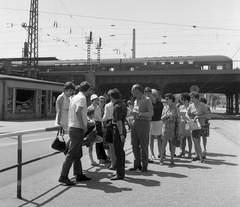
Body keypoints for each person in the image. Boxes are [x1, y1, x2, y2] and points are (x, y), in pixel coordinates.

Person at [58, 81, 92, 185]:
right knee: (72, 154)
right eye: (90, 90)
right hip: (77, 128)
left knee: (77, 153)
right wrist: (83, 126)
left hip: (73, 127)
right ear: (88, 90)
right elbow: (78, 111)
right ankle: (63, 176)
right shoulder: (82, 98)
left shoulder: (74, 97)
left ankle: (78, 174)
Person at [129, 84, 153, 172]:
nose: (131, 92)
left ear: (138, 90)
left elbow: (151, 113)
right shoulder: (136, 100)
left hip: (143, 123)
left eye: (132, 90)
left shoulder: (147, 100)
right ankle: (136, 164)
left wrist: (140, 114)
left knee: (143, 144)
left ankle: (144, 165)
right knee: (134, 144)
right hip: (135, 123)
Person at [109, 88, 127, 180]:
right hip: (122, 129)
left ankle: (120, 173)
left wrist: (120, 134)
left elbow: (119, 121)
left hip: (118, 130)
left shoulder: (117, 107)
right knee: (120, 152)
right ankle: (120, 171)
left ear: (112, 97)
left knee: (118, 153)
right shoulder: (122, 104)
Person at [186, 92, 210, 163]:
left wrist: (199, 116)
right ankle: (197, 155)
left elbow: (208, 115)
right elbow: (187, 114)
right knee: (196, 140)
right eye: (191, 98)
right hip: (193, 125)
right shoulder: (191, 105)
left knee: (195, 139)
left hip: (200, 125)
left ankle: (201, 156)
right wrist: (189, 118)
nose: (191, 99)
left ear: (197, 98)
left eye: (193, 98)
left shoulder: (202, 105)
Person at [160, 93, 182, 166]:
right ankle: (161, 159)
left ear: (171, 100)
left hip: (173, 128)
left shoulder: (176, 108)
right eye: (165, 99)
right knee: (163, 143)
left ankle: (172, 159)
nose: (166, 100)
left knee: (172, 144)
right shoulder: (165, 108)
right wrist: (164, 117)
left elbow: (179, 119)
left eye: (167, 99)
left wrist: (173, 118)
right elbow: (161, 118)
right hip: (165, 127)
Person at [88, 94, 108, 164]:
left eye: (97, 100)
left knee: (101, 141)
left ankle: (104, 157)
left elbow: (100, 117)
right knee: (97, 141)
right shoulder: (90, 108)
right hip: (94, 124)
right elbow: (90, 117)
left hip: (99, 123)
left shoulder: (98, 107)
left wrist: (102, 125)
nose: (96, 101)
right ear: (92, 101)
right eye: (94, 100)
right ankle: (100, 158)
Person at [102, 90, 116, 170]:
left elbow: (105, 116)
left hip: (109, 124)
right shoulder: (120, 104)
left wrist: (104, 123)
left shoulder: (107, 106)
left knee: (111, 145)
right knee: (118, 145)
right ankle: (118, 162)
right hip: (118, 124)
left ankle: (113, 163)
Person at [149, 89, 164, 161]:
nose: (152, 97)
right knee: (151, 138)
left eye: (153, 95)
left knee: (159, 138)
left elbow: (162, 113)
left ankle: (160, 153)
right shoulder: (149, 104)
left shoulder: (160, 103)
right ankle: (152, 154)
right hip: (151, 121)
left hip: (158, 121)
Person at [178, 93, 192, 158]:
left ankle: (190, 153)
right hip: (182, 124)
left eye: (184, 100)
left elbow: (192, 116)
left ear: (188, 100)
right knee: (182, 139)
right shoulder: (181, 107)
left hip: (188, 124)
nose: (183, 101)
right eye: (182, 100)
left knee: (189, 139)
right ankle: (182, 152)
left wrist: (188, 117)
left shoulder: (191, 107)